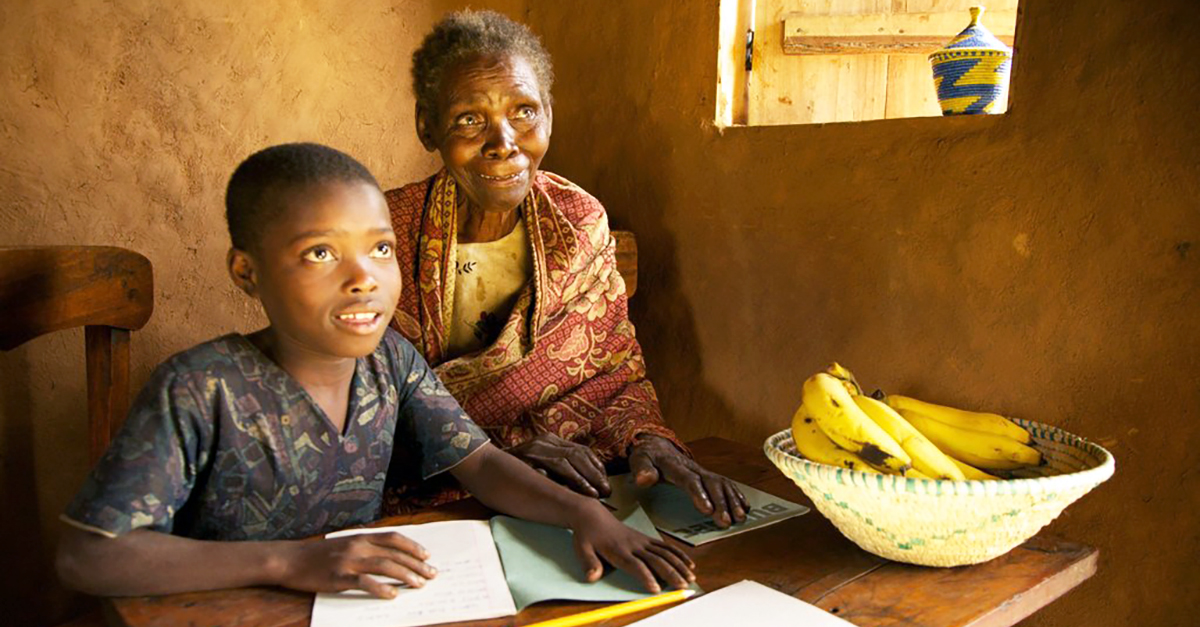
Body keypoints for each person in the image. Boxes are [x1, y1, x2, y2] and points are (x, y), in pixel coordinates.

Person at [54, 143, 694, 599]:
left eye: (380, 248)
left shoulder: (391, 361)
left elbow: (483, 466)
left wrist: (585, 515)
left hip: (360, 607)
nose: (364, 279)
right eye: (321, 252)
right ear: (246, 272)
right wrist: (293, 563)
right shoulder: (200, 387)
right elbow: (90, 556)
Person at [383, 10, 749, 528]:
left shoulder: (577, 220)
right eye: (469, 119)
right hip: (429, 506)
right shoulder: (383, 234)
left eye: (524, 111)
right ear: (427, 124)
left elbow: (615, 374)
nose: (503, 141)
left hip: (570, 492)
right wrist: (501, 456)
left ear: (549, 116)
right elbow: (362, 415)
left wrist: (649, 442)